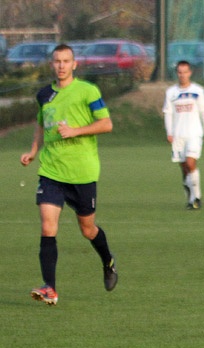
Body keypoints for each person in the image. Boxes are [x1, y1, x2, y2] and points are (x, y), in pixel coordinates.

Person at [19, 43, 117, 306]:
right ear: (52, 64)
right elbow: (41, 125)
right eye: (57, 61)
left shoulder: (87, 91)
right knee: (48, 225)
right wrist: (32, 151)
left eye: (66, 61)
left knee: (87, 229)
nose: (61, 66)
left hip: (82, 172)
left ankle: (108, 261)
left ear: (74, 65)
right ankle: (50, 288)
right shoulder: (44, 95)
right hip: (51, 171)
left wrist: (75, 131)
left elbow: (106, 124)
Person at [163, 60, 204, 209]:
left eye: (185, 72)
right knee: (184, 167)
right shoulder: (171, 93)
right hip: (178, 135)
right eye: (180, 72)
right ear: (177, 73)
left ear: (190, 73)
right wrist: (169, 132)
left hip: (194, 133)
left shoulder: (198, 91)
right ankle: (189, 190)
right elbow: (168, 113)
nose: (182, 75)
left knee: (191, 163)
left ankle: (196, 198)